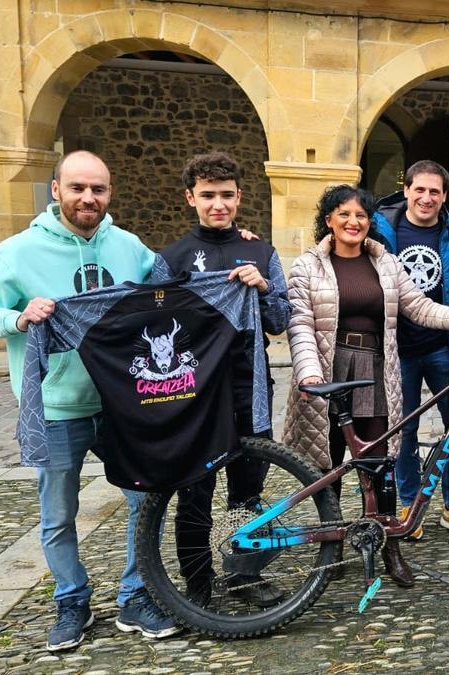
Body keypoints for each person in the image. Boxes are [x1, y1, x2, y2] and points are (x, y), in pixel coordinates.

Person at [0, 150, 180, 651]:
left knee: (146, 501)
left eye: (98, 189)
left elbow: (170, 285)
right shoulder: (16, 253)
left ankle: (135, 594)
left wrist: (233, 265)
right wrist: (18, 318)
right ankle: (71, 599)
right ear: (56, 189)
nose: (88, 198)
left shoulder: (128, 247)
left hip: (121, 404)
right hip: (57, 405)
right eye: (78, 188)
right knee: (59, 513)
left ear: (109, 193)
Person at [282, 185, 449, 588]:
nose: (353, 222)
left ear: (370, 222)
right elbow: (300, 323)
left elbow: (420, 307)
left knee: (381, 464)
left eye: (361, 215)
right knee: (330, 464)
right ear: (329, 220)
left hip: (375, 372)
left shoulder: (386, 263)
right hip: (328, 369)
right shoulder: (308, 265)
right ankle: (333, 548)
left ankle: (390, 547)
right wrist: (308, 372)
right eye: (344, 214)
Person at [157, 151, 291, 607]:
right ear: (190, 197)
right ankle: (197, 585)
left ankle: (244, 576)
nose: (219, 204)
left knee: (247, 490)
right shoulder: (170, 259)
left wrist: (263, 287)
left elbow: (280, 321)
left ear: (239, 197)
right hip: (193, 393)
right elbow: (157, 327)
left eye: (227, 195)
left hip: (248, 385)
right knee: (194, 491)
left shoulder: (261, 253)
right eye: (208, 195)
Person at [370, 161, 449, 541]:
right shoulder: (380, 230)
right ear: (406, 190)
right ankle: (409, 503)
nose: (426, 198)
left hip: (442, 346)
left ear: (444, 196)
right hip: (398, 347)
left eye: (435, 191)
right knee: (404, 429)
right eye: (420, 189)